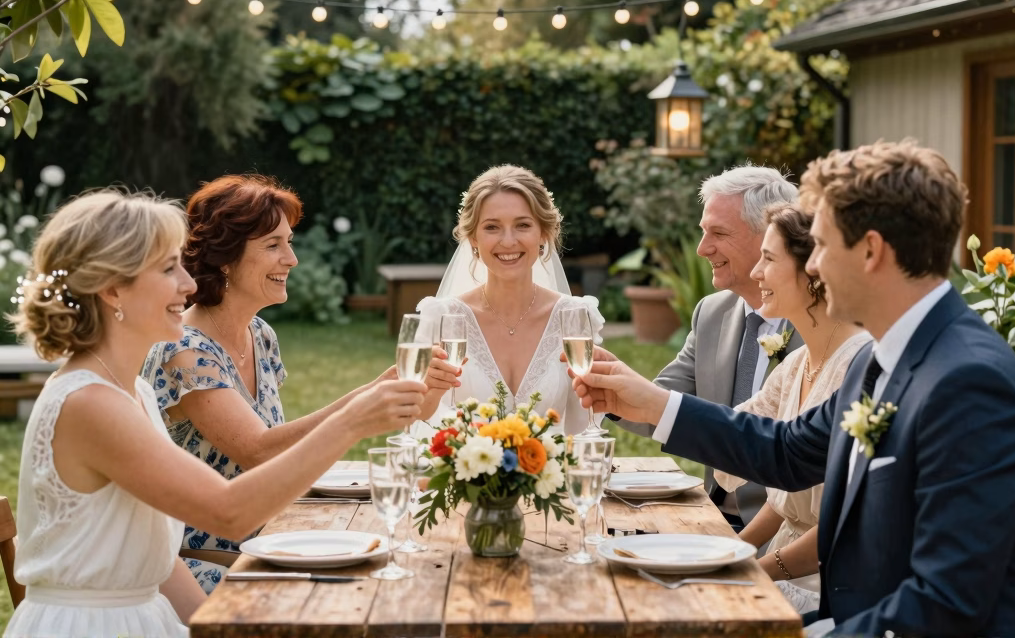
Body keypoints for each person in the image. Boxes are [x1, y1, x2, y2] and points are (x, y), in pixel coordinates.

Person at [570, 140, 1015, 636]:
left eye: (823, 246)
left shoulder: (967, 382)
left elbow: (947, 603)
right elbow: (785, 451)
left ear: (871, 251)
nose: (811, 266)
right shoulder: (884, 358)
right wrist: (654, 403)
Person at [5, 190, 424, 637]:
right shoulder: (91, 404)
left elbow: (159, 563)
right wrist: (354, 420)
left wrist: (211, 630)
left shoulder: (134, 392)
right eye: (169, 268)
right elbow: (229, 513)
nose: (189, 285)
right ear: (112, 289)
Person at [142, 174, 402, 592]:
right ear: (225, 258)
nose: (291, 259)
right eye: (272, 245)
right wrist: (362, 406)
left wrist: (379, 391)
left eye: (289, 241)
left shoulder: (259, 335)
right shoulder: (184, 351)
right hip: (201, 566)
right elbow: (258, 452)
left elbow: (281, 446)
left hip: (269, 544)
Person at [712, 203, 869, 613]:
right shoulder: (798, 363)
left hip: (830, 585)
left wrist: (758, 570)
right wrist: (727, 553)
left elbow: (845, 523)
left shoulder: (860, 365)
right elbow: (738, 436)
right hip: (784, 567)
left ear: (814, 270)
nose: (755, 273)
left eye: (768, 258)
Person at [642, 166, 802, 530]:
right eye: (703, 232)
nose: (702, 249)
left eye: (719, 233)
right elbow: (661, 400)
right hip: (712, 516)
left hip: (783, 531)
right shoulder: (712, 312)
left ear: (769, 237)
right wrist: (601, 387)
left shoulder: (822, 329)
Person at [412, 164, 604, 437]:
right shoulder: (440, 318)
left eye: (523, 225)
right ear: (473, 238)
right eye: (492, 227)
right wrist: (430, 389)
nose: (508, 241)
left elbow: (587, 426)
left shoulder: (575, 317)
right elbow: (418, 423)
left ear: (544, 233)